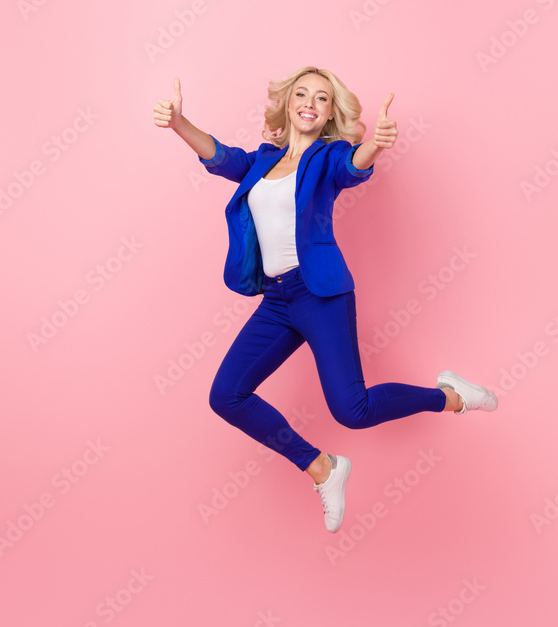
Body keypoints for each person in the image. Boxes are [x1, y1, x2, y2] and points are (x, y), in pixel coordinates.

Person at [153, 66, 498, 533]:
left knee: (351, 412)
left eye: (321, 97)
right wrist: (179, 123)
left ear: (330, 111)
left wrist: (376, 143)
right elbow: (221, 157)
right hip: (276, 302)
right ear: (288, 103)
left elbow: (354, 166)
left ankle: (452, 397)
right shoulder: (262, 160)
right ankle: (322, 468)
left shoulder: (328, 157)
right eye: (301, 94)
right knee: (226, 395)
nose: (309, 103)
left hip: (321, 296)